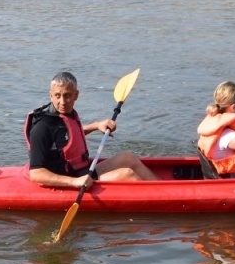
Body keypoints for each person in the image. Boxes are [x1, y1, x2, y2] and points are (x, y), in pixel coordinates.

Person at [26, 71, 157, 189]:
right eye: (57, 95)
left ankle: (165, 189)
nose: (62, 102)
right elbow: (36, 173)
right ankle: (160, 199)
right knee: (127, 174)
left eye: (67, 95)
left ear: (76, 95)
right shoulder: (41, 128)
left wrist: (96, 125)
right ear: (51, 96)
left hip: (85, 172)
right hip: (71, 181)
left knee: (128, 158)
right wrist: (74, 182)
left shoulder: (66, 115)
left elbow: (68, 136)